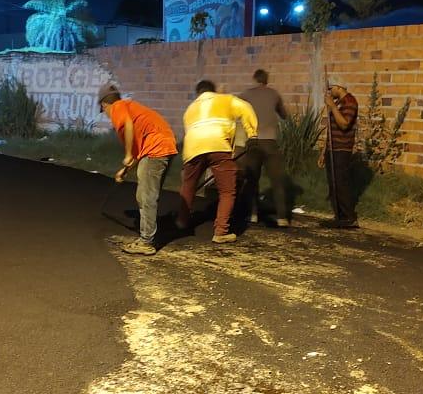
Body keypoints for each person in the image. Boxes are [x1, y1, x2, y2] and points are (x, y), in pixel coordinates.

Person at [99, 83, 178, 255]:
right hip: (160, 147)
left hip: (155, 149)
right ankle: (148, 236)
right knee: (144, 195)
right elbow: (138, 149)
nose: (106, 115)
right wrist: (125, 169)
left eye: (103, 110)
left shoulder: (118, 108)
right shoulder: (130, 107)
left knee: (146, 196)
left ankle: (146, 241)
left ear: (104, 105)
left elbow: (127, 126)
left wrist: (127, 154)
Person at [180, 80, 258, 243]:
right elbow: (246, 108)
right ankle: (221, 232)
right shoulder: (225, 99)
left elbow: (189, 133)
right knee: (227, 191)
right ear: (213, 90)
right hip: (218, 146)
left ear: (198, 93)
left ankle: (181, 221)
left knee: (188, 186)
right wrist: (252, 134)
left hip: (193, 149)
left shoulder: (190, 109)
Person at [238, 69, 290, 227]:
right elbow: (284, 114)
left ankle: (253, 214)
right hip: (270, 142)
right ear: (267, 80)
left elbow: (235, 110)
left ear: (254, 79)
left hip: (253, 141)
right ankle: (282, 217)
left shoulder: (246, 95)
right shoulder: (274, 94)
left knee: (252, 179)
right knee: (277, 180)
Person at [320, 81, 359, 228]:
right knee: (333, 183)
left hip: (342, 149)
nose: (330, 92)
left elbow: (344, 124)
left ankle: (349, 217)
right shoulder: (338, 103)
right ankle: (339, 216)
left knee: (341, 182)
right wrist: (324, 151)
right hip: (332, 148)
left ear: (339, 87)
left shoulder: (350, 102)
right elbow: (330, 128)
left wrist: (333, 106)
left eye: (332, 89)